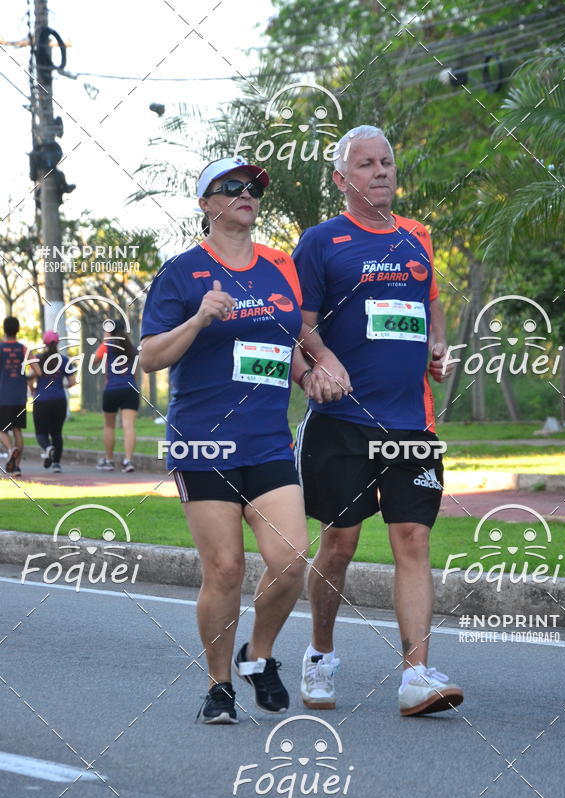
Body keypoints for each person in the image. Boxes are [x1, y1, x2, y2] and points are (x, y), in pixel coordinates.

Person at [293, 125, 464, 716]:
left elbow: (430, 304)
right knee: (338, 545)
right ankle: (319, 653)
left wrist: (438, 345)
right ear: (342, 179)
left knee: (413, 539)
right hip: (343, 421)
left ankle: (416, 674)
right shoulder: (320, 242)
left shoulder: (417, 238)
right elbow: (299, 323)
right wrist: (324, 357)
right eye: (365, 164)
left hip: (412, 423)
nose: (381, 171)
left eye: (386, 161)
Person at [140, 156, 309, 724]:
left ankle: (257, 657)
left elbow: (295, 345)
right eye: (231, 187)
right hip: (202, 442)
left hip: (267, 439)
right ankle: (218, 686)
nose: (246, 194)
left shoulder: (280, 268)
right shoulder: (183, 272)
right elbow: (149, 358)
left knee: (291, 560)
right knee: (227, 570)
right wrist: (198, 321)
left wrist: (316, 372)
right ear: (206, 204)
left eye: (253, 188)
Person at [95, 322, 139, 473]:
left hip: (112, 389)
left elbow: (95, 360)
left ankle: (109, 460)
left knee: (109, 426)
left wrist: (105, 340)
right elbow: (136, 371)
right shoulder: (131, 348)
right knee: (129, 426)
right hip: (130, 389)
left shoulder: (107, 345)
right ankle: (128, 461)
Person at [32, 330, 76, 473]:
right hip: (59, 400)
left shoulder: (38, 359)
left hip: (42, 400)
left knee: (41, 434)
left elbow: (31, 377)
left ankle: (48, 448)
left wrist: (33, 389)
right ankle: (56, 463)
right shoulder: (64, 360)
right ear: (57, 343)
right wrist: (62, 386)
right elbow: (72, 382)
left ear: (44, 343)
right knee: (57, 433)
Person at [0, 316, 37, 478]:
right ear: (18, 330)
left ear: (4, 329)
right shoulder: (24, 349)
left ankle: (10, 450)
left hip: (3, 395)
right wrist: (25, 378)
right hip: (19, 396)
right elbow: (38, 371)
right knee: (17, 431)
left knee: (1, 430)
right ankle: (16, 468)